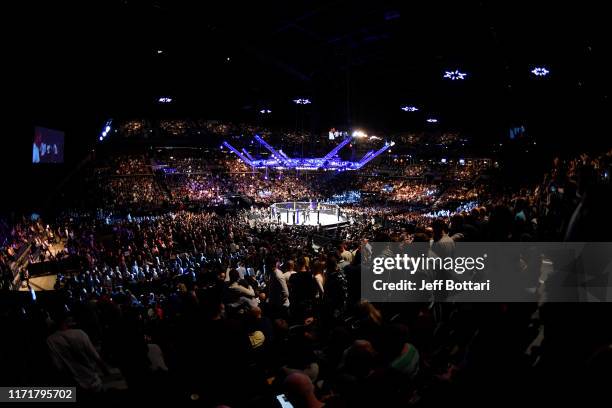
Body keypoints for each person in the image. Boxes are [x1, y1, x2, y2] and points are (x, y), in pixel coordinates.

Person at [47, 314, 108, 393]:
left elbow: (58, 365)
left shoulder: (51, 340)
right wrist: (105, 370)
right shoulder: (79, 333)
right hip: (93, 380)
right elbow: (94, 355)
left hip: (74, 384)